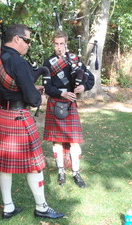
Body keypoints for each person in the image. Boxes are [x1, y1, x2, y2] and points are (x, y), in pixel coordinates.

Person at [0, 24, 64, 220]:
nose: (28, 45)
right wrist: (38, 97)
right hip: (19, 118)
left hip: (1, 116)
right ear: (16, 39)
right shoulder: (19, 62)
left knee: (4, 165)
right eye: (27, 40)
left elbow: (13, 83)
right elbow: (33, 99)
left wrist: (30, 85)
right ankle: (41, 207)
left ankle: (8, 207)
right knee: (35, 165)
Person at [43, 30, 95, 188]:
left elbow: (90, 79)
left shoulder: (74, 59)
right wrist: (62, 93)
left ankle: (76, 172)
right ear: (53, 44)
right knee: (57, 141)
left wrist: (83, 87)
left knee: (74, 141)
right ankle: (61, 171)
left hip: (70, 104)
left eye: (61, 44)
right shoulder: (48, 62)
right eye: (56, 44)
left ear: (66, 44)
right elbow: (47, 87)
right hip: (56, 102)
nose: (59, 47)